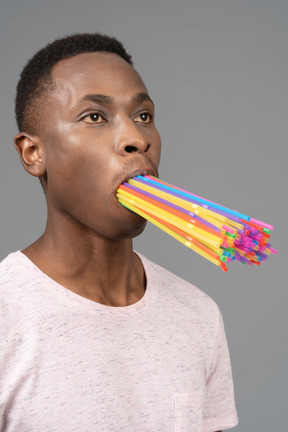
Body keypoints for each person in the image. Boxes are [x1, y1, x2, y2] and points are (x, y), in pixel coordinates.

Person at [0, 33, 238, 432]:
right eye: (94, 116)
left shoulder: (198, 315)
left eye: (143, 116)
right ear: (33, 153)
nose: (137, 139)